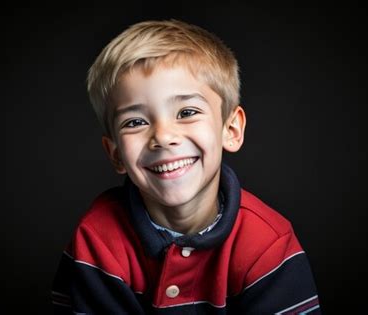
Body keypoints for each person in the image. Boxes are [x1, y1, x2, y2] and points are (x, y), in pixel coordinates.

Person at [51, 19, 321, 314]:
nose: (163, 137)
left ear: (230, 130)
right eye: (135, 122)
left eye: (187, 112)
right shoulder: (98, 240)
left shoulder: (268, 244)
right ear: (115, 154)